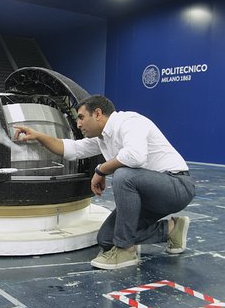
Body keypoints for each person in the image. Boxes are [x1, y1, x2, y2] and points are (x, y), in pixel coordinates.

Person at [14, 95, 195, 270]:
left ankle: (125, 251)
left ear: (98, 114)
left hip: (176, 185)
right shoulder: (102, 138)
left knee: (124, 175)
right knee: (107, 238)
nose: (78, 124)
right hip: (147, 197)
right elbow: (71, 148)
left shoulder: (130, 122)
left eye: (82, 118)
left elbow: (135, 157)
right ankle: (172, 228)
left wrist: (101, 170)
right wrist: (38, 136)